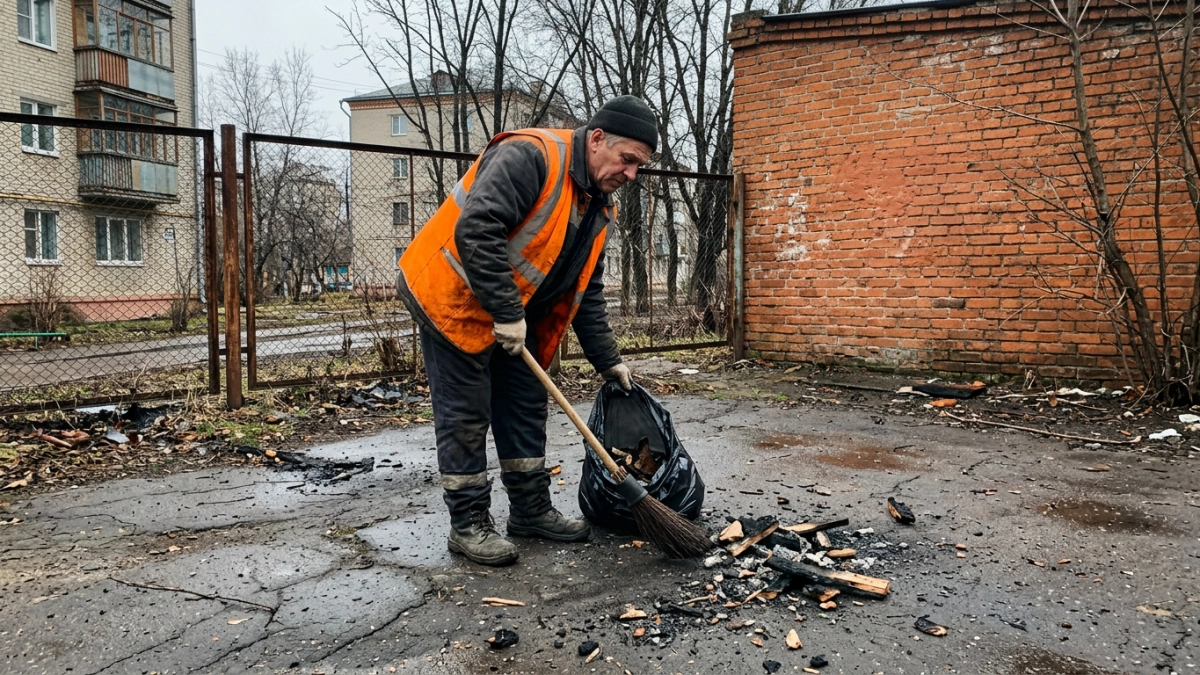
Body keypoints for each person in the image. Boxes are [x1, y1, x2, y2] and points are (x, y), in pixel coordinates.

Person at [397, 96, 658, 566]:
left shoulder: (598, 207)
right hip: (451, 299)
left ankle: (531, 511)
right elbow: (476, 229)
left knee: (524, 404)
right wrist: (506, 310)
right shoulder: (531, 156)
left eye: (640, 166)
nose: (632, 175)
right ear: (597, 140)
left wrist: (608, 360)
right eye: (629, 160)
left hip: (512, 314)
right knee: (466, 413)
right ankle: (469, 524)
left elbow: (586, 292)